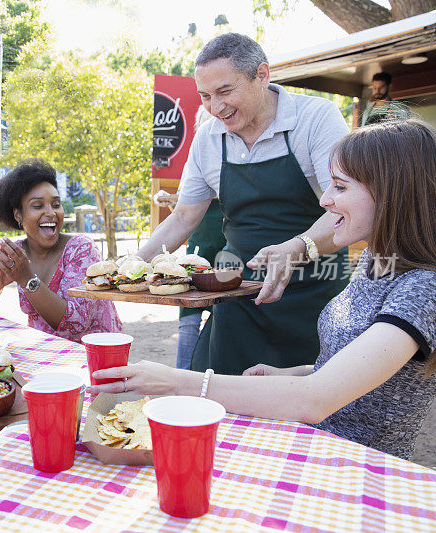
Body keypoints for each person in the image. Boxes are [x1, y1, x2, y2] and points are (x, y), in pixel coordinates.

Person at [91, 119, 436, 460]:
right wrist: (295, 373)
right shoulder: (378, 263)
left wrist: (177, 382)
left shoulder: (424, 291)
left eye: (340, 187)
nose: (325, 200)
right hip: (317, 446)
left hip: (361, 468)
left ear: (393, 194)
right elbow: (359, 376)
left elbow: (313, 400)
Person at [138, 33, 351, 376]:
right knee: (219, 398)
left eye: (225, 91)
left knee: (308, 411)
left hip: (315, 295)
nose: (214, 107)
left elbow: (344, 210)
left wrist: (297, 247)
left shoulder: (316, 119)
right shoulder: (208, 138)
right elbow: (182, 218)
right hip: (239, 295)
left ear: (262, 75)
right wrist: (133, 264)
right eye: (205, 96)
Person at [0, 160, 122, 342]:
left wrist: (27, 279)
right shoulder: (16, 253)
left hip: (96, 360)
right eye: (38, 206)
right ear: (18, 215)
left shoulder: (81, 250)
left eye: (56, 204)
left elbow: (74, 323)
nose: (51, 213)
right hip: (45, 356)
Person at [154, 107, 226, 370]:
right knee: (189, 317)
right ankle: (182, 376)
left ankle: (210, 375)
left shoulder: (237, 157)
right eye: (205, 124)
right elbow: (184, 212)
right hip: (199, 248)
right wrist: (166, 201)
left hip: (229, 253)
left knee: (224, 317)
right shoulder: (197, 158)